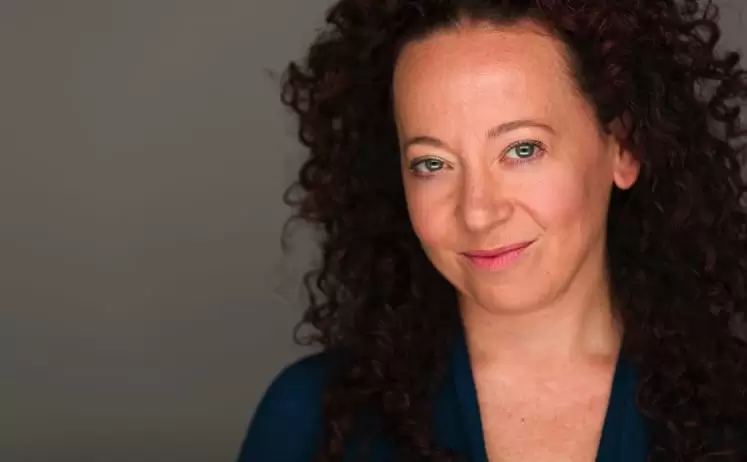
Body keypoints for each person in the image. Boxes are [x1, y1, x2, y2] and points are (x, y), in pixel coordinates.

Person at [239, 0, 747, 460]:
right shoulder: (307, 420)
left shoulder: (732, 411)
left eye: (522, 150)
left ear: (623, 148)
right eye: (432, 164)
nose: (477, 213)